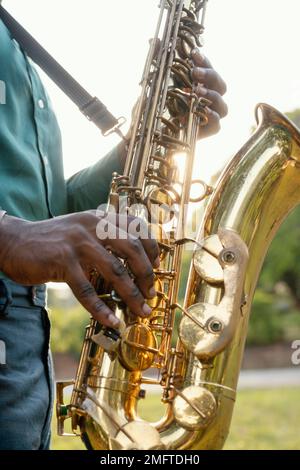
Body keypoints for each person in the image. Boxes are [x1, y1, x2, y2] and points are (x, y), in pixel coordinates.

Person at [0, 1, 227, 450]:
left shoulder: (16, 46)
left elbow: (44, 214)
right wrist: (8, 237)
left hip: (24, 330)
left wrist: (152, 137)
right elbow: (24, 233)